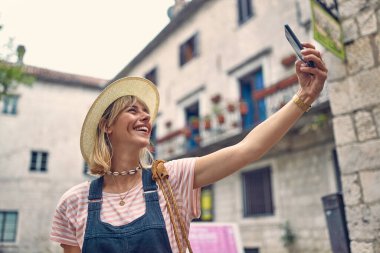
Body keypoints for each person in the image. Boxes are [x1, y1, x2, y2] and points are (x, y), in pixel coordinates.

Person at [50, 43, 327, 253]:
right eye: (133, 111)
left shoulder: (172, 178)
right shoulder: (73, 203)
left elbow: (248, 149)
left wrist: (304, 95)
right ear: (107, 126)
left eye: (147, 112)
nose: (145, 117)